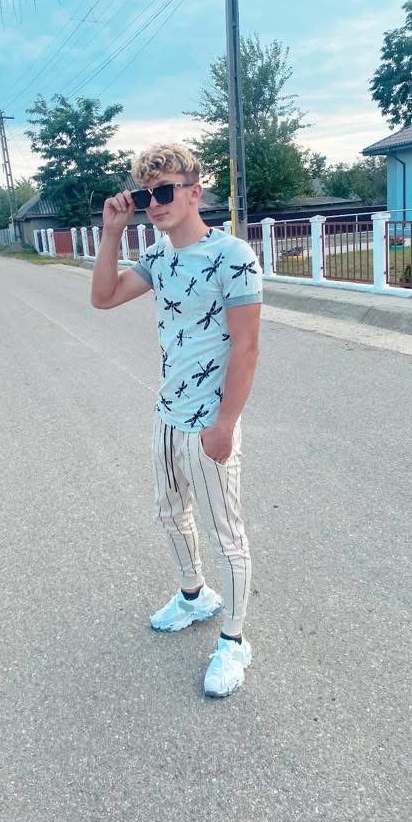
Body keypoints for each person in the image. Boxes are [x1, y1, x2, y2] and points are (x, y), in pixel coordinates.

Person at [91, 144, 263, 698]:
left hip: (209, 421)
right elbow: (103, 298)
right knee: (169, 512)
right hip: (167, 414)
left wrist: (226, 423)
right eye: (146, 195)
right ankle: (194, 596)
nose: (155, 203)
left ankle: (234, 641)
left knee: (227, 532)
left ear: (194, 191)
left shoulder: (232, 255)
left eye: (165, 191)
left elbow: (246, 347)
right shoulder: (157, 258)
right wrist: (112, 233)